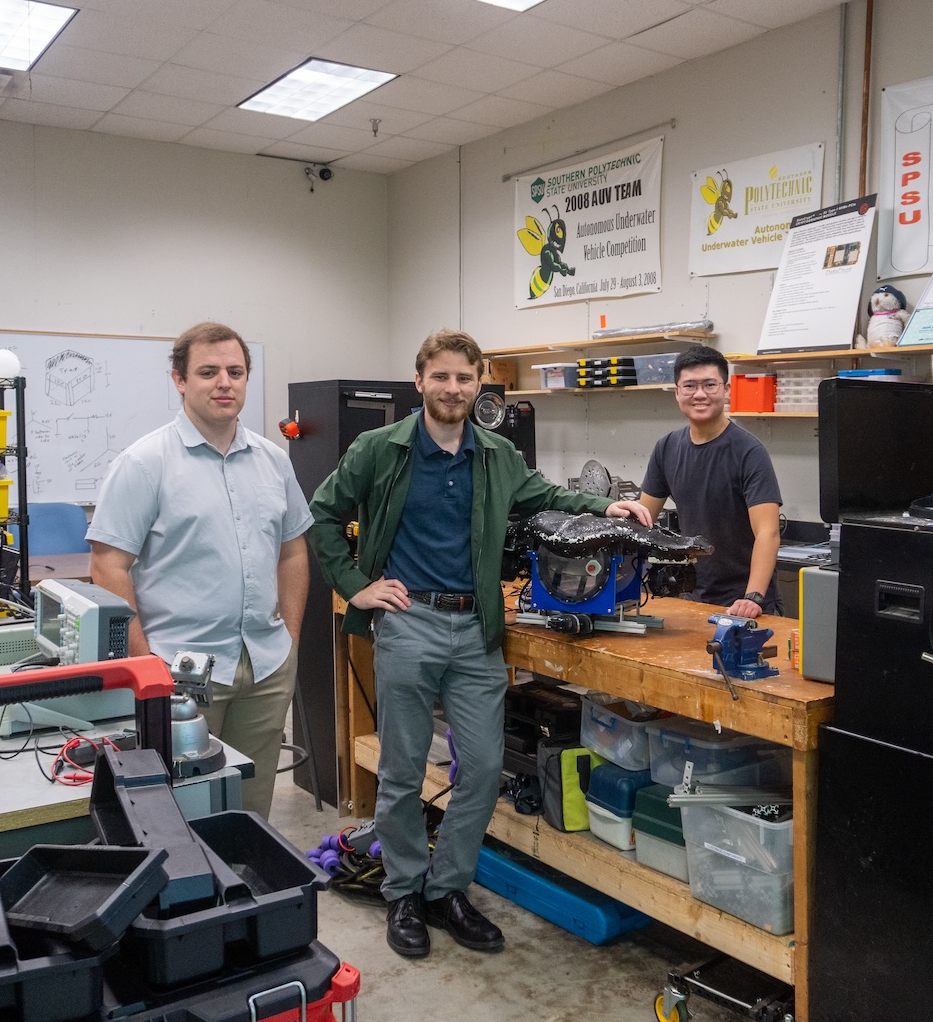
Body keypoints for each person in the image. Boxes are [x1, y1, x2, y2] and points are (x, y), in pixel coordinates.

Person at [308, 329, 652, 959]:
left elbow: (546, 496)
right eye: (440, 377)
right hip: (409, 619)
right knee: (403, 770)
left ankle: (448, 891)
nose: (452, 389)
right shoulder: (379, 449)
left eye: (464, 379)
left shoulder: (495, 454)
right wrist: (356, 585)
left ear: (478, 386)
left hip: (475, 628)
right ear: (419, 381)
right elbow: (323, 513)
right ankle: (404, 890)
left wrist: (610, 507)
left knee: (485, 769)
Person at [86, 321, 311, 820]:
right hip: (178, 670)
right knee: (179, 811)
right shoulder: (143, 463)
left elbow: (293, 552)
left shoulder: (274, 462)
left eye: (235, 371)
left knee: (250, 811)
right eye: (208, 372)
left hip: (266, 665)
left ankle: (245, 890)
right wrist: (146, 666)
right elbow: (108, 565)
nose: (224, 383)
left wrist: (289, 640)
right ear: (180, 381)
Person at [638, 345, 783, 618]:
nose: (700, 394)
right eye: (690, 386)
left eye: (710, 384)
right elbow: (642, 521)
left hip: (746, 604)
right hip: (694, 596)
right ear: (677, 392)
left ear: (726, 390)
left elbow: (768, 533)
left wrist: (753, 597)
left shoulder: (749, 452)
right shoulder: (667, 447)